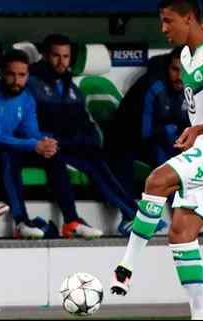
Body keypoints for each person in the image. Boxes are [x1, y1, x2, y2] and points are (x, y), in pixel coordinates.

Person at [110, 1, 203, 320]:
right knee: (181, 232)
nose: (163, 29)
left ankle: (126, 266)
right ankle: (200, 315)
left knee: (156, 181)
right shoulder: (187, 56)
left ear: (188, 18)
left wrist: (199, 128)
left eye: (167, 21)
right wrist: (196, 130)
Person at [0, 49, 102, 239]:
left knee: (53, 155)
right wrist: (33, 145)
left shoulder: (26, 97)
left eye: (22, 75)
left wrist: (43, 143)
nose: (16, 80)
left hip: (13, 146)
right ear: (2, 73)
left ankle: (71, 221)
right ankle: (20, 222)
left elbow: (30, 131)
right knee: (8, 156)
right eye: (11, 74)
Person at [28, 34, 142, 236]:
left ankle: (131, 215)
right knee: (84, 159)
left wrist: (88, 140)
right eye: (56, 56)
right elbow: (33, 122)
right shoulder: (33, 82)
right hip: (46, 145)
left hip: (71, 145)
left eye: (66, 56)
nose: (61, 61)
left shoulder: (70, 86)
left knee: (97, 159)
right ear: (46, 56)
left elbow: (84, 121)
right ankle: (126, 215)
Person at [106, 47, 189, 195]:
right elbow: (146, 133)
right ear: (167, 68)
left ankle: (194, 213)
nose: (180, 76)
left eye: (185, 70)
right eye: (175, 69)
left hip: (161, 138)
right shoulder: (153, 87)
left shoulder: (190, 87)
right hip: (128, 139)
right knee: (167, 160)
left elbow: (189, 125)